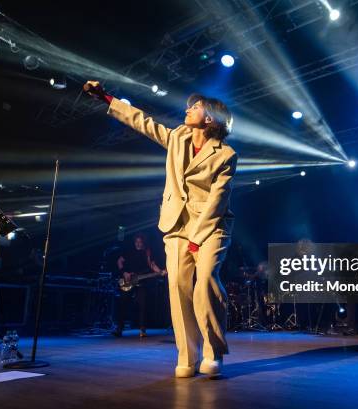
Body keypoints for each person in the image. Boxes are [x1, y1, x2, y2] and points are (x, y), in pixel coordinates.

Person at [84, 81, 237, 378]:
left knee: (205, 281)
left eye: (194, 107)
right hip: (175, 223)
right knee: (178, 288)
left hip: (211, 226)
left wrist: (196, 239)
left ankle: (213, 351)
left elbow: (218, 201)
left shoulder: (226, 154)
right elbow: (142, 122)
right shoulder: (178, 137)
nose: (187, 109)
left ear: (210, 119)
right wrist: (106, 98)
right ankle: (187, 356)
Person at [114, 233, 165, 338]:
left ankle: (142, 329)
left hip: (141, 281)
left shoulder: (147, 252)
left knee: (143, 305)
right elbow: (119, 261)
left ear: (143, 243)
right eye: (137, 242)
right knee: (123, 303)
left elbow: (152, 264)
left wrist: (160, 271)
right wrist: (124, 273)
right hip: (128, 280)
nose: (138, 244)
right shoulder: (129, 251)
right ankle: (119, 328)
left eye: (140, 242)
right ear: (134, 242)